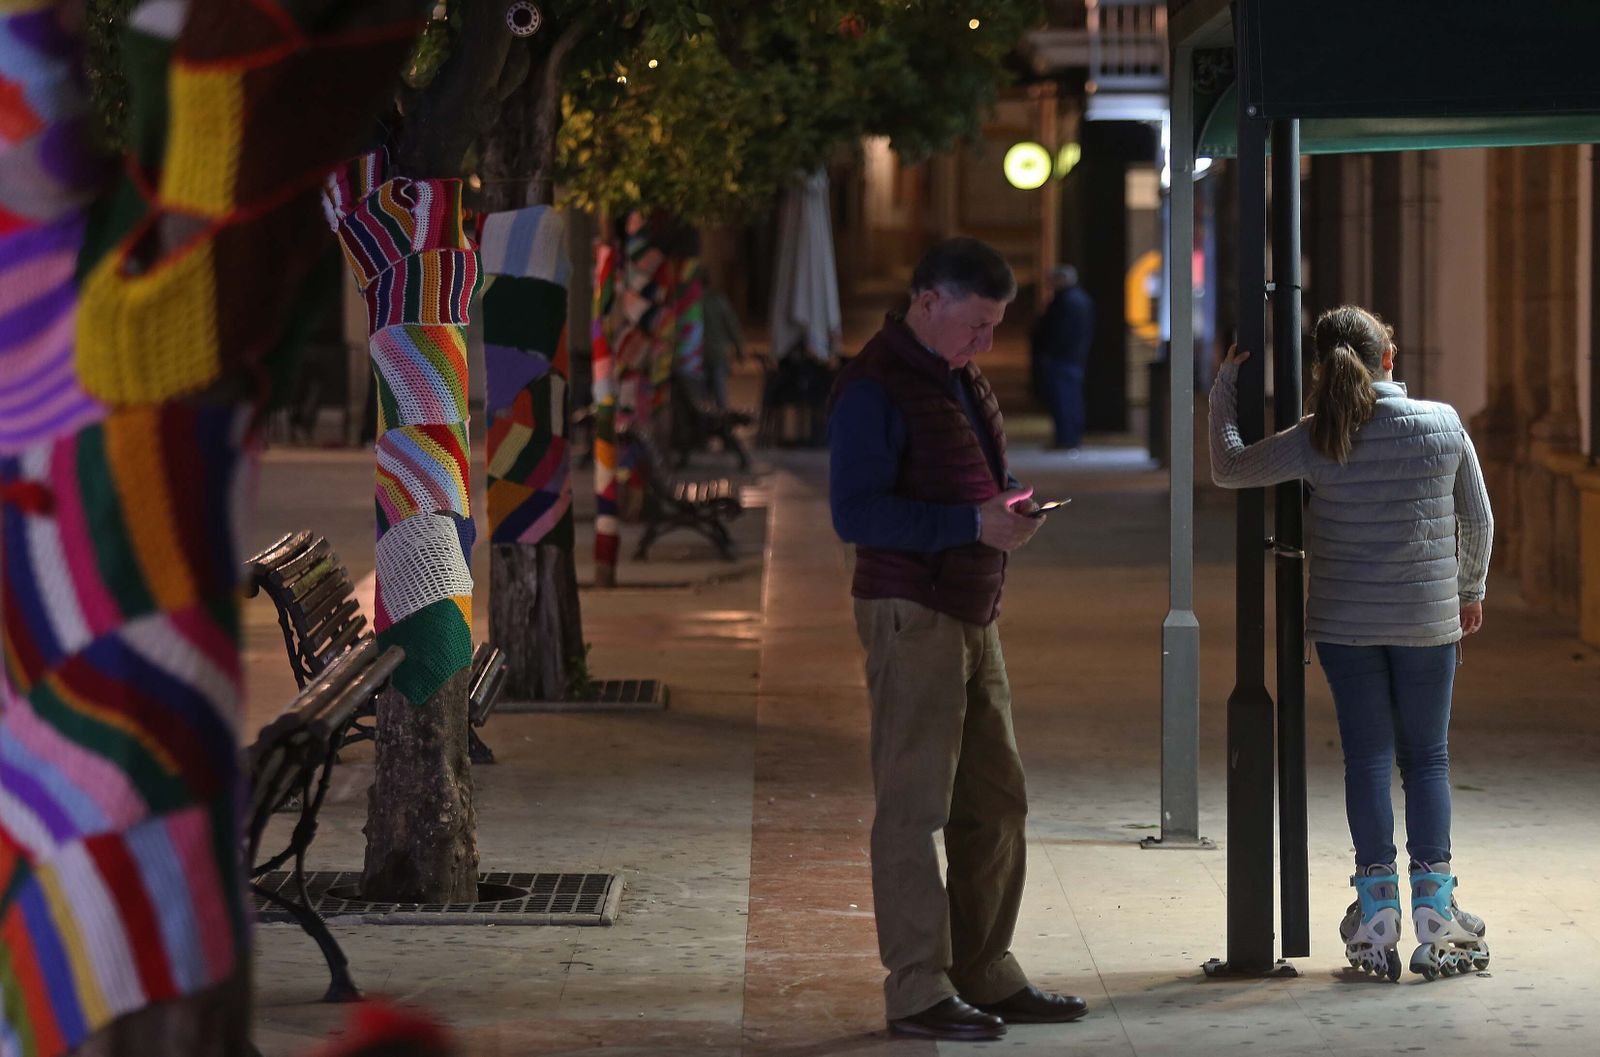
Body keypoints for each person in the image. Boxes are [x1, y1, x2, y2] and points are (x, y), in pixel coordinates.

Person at [827, 238, 1089, 1041]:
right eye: (977, 323)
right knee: (915, 806)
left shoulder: (958, 375)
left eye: (997, 325)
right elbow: (855, 512)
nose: (988, 340)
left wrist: (1004, 505)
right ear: (927, 301)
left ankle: (983, 966)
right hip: (913, 612)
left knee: (997, 799)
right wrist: (971, 523)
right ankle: (917, 985)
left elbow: (963, 476)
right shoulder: (874, 384)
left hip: (975, 608)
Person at [1208, 305, 1494, 982]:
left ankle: (1375, 913)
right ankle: (1435, 910)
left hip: (1347, 624)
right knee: (1427, 758)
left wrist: (1224, 388)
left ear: (1321, 368)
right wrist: (1468, 589)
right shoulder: (1442, 422)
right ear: (1388, 358)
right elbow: (1476, 518)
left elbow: (1230, 466)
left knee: (1366, 758)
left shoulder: (1320, 435)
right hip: (1427, 621)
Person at [1029, 265, 1094, 450]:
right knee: (1070, 400)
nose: (1050, 284)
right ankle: (1071, 437)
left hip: (1062, 358)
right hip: (1073, 358)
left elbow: (1058, 331)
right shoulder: (1080, 299)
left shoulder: (1066, 301)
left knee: (1063, 400)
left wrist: (1048, 352)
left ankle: (1066, 439)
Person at [701, 276, 746, 410]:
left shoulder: (692, 303)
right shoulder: (719, 301)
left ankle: (705, 418)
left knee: (702, 395)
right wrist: (740, 349)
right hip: (718, 353)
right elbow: (732, 326)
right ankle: (722, 418)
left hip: (698, 354)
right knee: (720, 392)